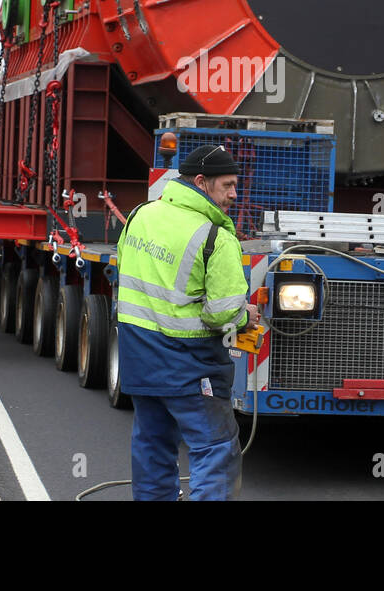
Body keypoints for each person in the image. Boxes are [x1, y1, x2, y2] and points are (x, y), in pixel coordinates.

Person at [117, 144, 260, 501]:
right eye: (227, 185)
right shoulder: (216, 237)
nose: (233, 194)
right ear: (201, 182)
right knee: (215, 450)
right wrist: (247, 316)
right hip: (190, 367)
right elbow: (223, 314)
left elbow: (127, 267)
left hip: (140, 360)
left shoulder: (141, 215)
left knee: (152, 447)